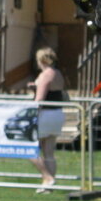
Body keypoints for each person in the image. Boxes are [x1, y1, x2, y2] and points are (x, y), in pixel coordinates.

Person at [26, 46, 66, 192]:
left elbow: (40, 99)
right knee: (49, 152)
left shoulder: (45, 75)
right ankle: (48, 185)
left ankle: (47, 177)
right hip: (57, 114)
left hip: (45, 115)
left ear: (41, 60)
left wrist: (29, 114)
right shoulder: (58, 73)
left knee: (28, 148)